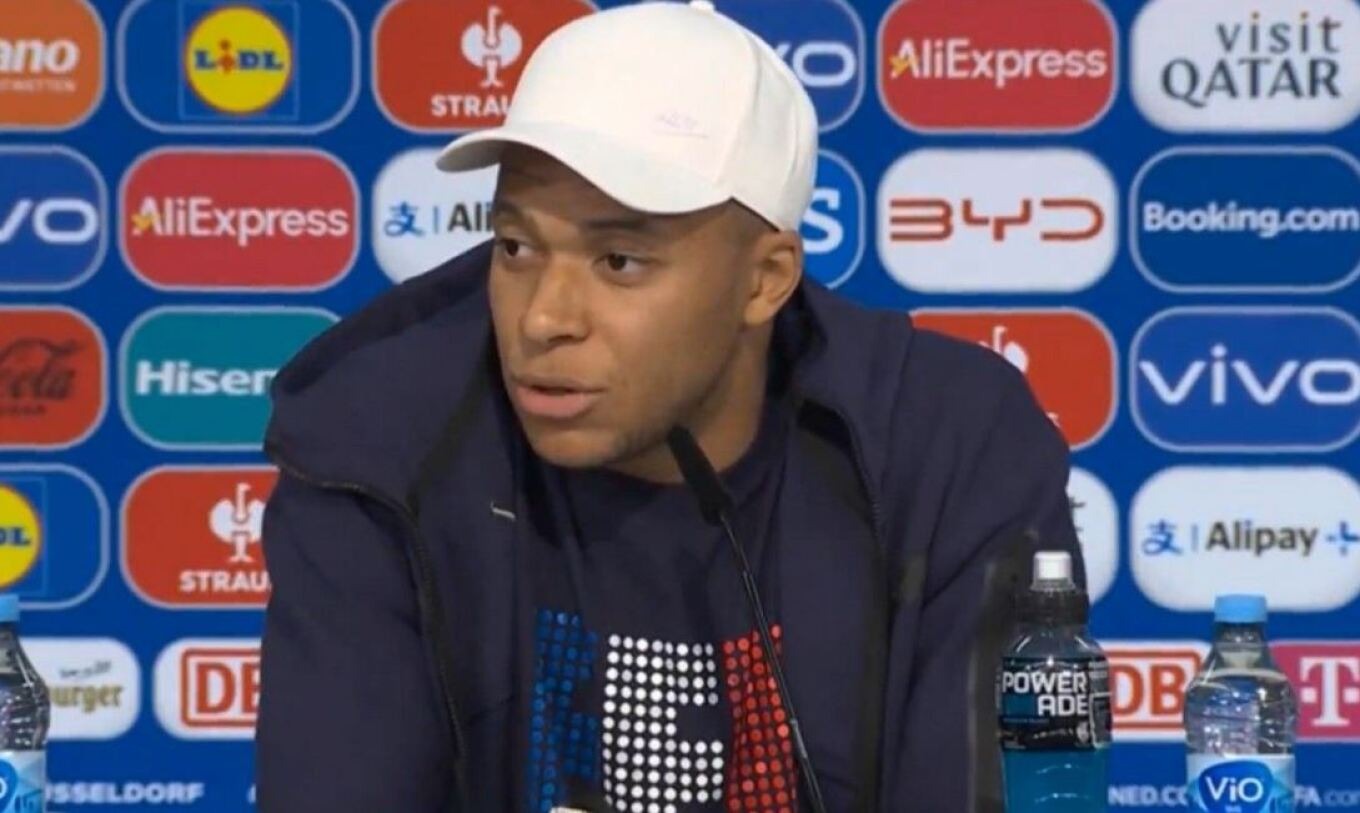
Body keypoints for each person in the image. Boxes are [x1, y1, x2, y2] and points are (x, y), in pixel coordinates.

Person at [254, 1, 1086, 811]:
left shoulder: (951, 450)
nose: (543, 318)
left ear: (764, 280)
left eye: (619, 260)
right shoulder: (378, 443)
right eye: (515, 246)